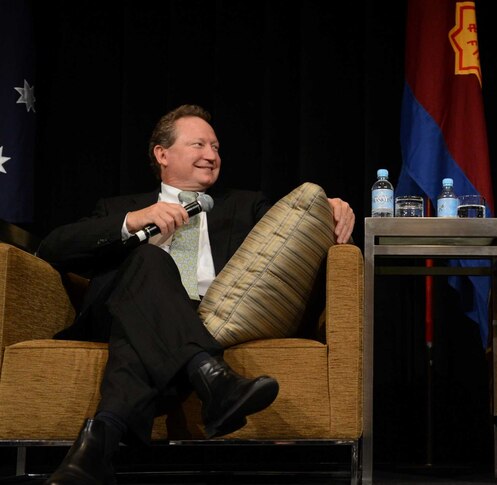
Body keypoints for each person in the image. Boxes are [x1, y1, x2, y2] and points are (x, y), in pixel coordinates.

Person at [36, 104, 355, 485]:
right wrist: (134, 221)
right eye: (199, 144)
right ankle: (212, 377)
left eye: (217, 147)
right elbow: (53, 247)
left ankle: (96, 446)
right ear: (162, 154)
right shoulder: (120, 207)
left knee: (140, 334)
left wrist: (329, 208)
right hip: (122, 309)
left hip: (203, 316)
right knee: (150, 261)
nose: (212, 155)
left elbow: (292, 232)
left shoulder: (245, 205)